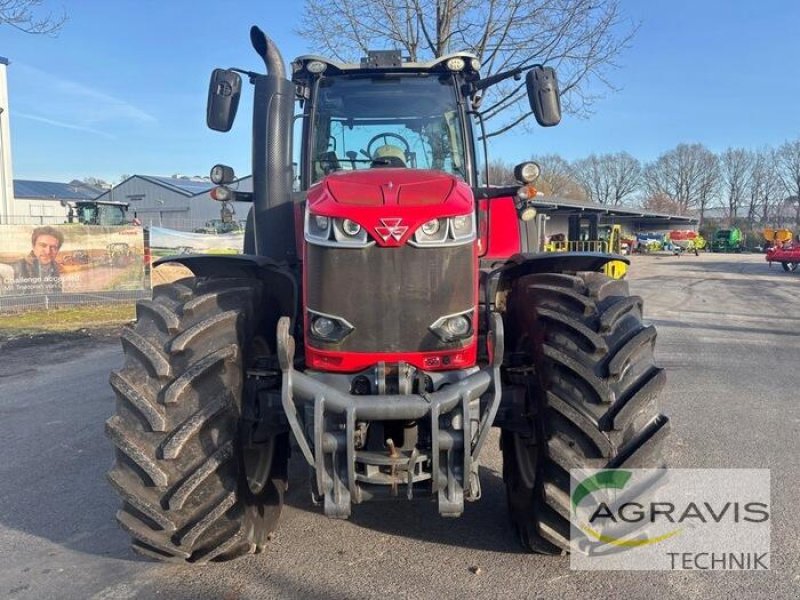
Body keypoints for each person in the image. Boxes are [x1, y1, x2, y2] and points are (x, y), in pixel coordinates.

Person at [10, 226, 65, 295]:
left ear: (58, 250)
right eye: (43, 245)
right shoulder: (19, 267)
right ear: (33, 246)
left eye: (53, 247)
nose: (48, 251)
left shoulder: (55, 266)